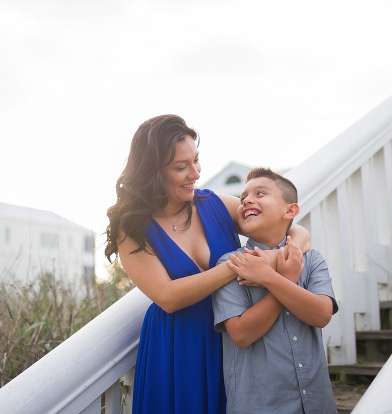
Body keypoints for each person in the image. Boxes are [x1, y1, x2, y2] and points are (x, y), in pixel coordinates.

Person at [105, 116, 310, 414]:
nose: (195, 174)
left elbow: (292, 228)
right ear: (152, 173)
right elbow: (168, 297)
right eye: (181, 167)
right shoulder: (132, 228)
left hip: (232, 334)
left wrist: (279, 255)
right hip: (178, 347)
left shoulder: (213, 204)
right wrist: (238, 265)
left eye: (196, 161)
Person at [213, 168, 338, 414]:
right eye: (243, 198)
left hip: (316, 403)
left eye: (260, 193)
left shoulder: (311, 260)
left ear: (290, 210)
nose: (247, 200)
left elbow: (322, 315)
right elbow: (241, 334)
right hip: (259, 405)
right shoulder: (232, 264)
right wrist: (287, 280)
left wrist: (272, 279)